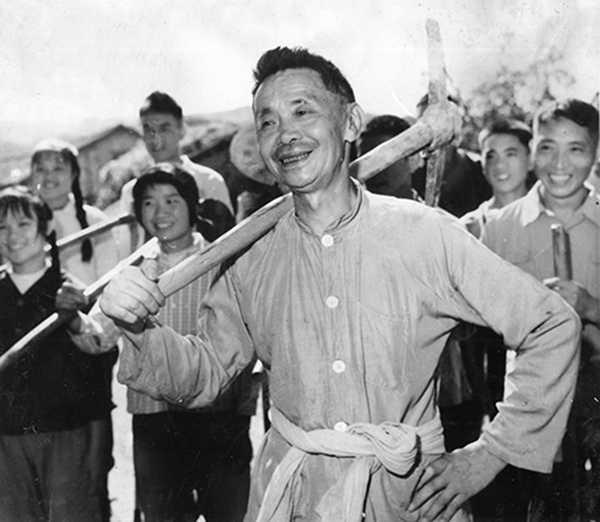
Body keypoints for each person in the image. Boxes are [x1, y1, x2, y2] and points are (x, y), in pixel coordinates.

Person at [99, 46, 581, 522]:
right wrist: (138, 330)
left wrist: (491, 454)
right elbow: (205, 372)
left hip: (406, 500)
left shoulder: (425, 235)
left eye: (302, 111)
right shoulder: (251, 255)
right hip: (295, 499)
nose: (285, 134)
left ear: (350, 123)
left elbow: (551, 325)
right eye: (267, 122)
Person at [61, 164, 256, 522]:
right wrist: (74, 318)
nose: (160, 212)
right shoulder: (131, 271)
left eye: (171, 200)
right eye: (148, 203)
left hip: (218, 415)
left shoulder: (225, 260)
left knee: (230, 514)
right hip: (155, 421)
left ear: (193, 205)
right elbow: (99, 337)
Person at [482, 99, 600, 521]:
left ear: (595, 153)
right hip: (530, 406)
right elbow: (480, 320)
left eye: (576, 149)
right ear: (533, 150)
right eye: (548, 147)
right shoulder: (500, 226)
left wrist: (589, 306)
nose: (560, 164)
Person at [0, 187, 106, 522]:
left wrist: (99, 444)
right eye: (2, 227)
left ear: (45, 228)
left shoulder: (70, 292)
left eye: (23, 224)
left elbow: (98, 363)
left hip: (66, 433)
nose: (12, 236)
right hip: (6, 438)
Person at [30, 138, 119, 522]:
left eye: (58, 169)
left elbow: (109, 282)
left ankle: (97, 505)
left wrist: (86, 329)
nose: (49, 177)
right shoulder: (21, 220)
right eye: (41, 169)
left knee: (91, 445)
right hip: (35, 345)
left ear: (73, 174)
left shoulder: (94, 221)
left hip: (85, 340)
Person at [118, 91, 235, 248]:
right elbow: (127, 251)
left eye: (164, 129)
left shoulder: (209, 181)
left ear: (181, 129)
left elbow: (229, 244)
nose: (156, 138)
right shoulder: (130, 192)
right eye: (148, 129)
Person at [412, 94, 492, 217]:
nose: (427, 129)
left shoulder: (479, 170)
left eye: (435, 120)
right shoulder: (410, 172)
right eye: (422, 123)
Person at [356, 114, 423, 200]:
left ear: (412, 161)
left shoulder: (430, 208)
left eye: (383, 159)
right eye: (365, 159)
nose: (374, 172)